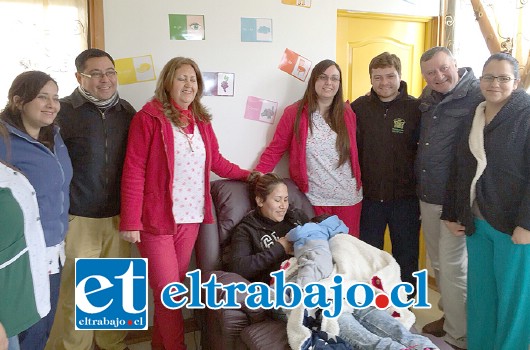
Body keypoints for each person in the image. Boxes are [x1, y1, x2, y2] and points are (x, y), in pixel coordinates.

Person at [119, 56, 251, 350]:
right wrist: (130, 221)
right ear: (167, 82)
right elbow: (134, 170)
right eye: (182, 78)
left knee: (171, 292)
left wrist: (251, 176)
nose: (188, 84)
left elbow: (216, 161)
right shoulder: (148, 118)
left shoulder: (201, 120)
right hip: (157, 220)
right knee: (170, 294)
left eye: (193, 79)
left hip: (191, 218)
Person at [229, 172, 438, 350]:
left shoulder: (295, 217)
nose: (283, 206)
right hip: (290, 290)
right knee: (336, 315)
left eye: (285, 199)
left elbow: (323, 240)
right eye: (277, 200)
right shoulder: (247, 230)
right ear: (259, 200)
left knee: (363, 307)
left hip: (328, 278)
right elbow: (239, 267)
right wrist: (279, 248)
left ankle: (418, 343)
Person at [441, 53, 530, 350]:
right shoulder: (474, 114)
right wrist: (452, 213)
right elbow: (459, 166)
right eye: (489, 77)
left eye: (503, 78)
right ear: (480, 79)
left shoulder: (526, 114)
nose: (495, 83)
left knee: (513, 299)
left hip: (512, 225)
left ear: (516, 83)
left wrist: (526, 224)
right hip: (476, 222)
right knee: (481, 295)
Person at [55, 48, 135, 350]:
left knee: (116, 291)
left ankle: (112, 345)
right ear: (80, 77)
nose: (106, 79)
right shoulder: (62, 112)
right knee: (77, 294)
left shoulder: (127, 112)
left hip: (118, 219)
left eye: (110, 72)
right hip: (78, 218)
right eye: (96, 73)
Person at [415, 46, 484, 349]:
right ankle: (450, 317)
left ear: (456, 63)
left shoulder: (479, 95)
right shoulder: (427, 98)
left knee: (455, 267)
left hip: (457, 200)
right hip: (428, 195)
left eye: (443, 68)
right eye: (430, 72)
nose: (438, 76)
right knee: (440, 264)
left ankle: (460, 336)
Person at [0, 71, 73, 350]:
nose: (52, 104)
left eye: (55, 98)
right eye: (42, 97)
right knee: (25, 334)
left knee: (44, 329)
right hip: (21, 257)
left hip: (54, 251)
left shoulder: (54, 136)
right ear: (19, 101)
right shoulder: (4, 141)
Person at [255, 59, 363, 236]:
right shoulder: (294, 113)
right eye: (323, 77)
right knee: (317, 251)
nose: (329, 83)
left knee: (346, 252)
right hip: (313, 199)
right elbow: (275, 149)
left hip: (349, 198)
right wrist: (256, 177)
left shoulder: (347, 113)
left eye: (335, 78)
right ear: (313, 81)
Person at [351, 52, 421, 288]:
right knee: (369, 255)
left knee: (407, 255)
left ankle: (405, 305)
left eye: (390, 76)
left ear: (400, 76)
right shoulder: (358, 108)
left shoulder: (416, 108)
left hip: (406, 200)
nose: (384, 83)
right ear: (370, 79)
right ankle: (371, 306)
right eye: (377, 77)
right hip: (369, 199)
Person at [285, 214, 348, 286]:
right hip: (325, 261)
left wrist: (287, 237)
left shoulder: (314, 227)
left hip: (314, 256)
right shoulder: (327, 232)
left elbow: (296, 233)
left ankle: (297, 294)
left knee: (305, 281)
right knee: (302, 276)